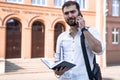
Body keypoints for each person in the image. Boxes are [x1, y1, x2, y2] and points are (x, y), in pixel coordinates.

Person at [54, 1, 104, 80]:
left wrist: (83, 29)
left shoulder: (91, 31)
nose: (70, 15)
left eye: (73, 12)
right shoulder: (61, 37)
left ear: (79, 13)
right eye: (66, 13)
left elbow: (99, 50)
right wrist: (57, 72)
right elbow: (57, 61)